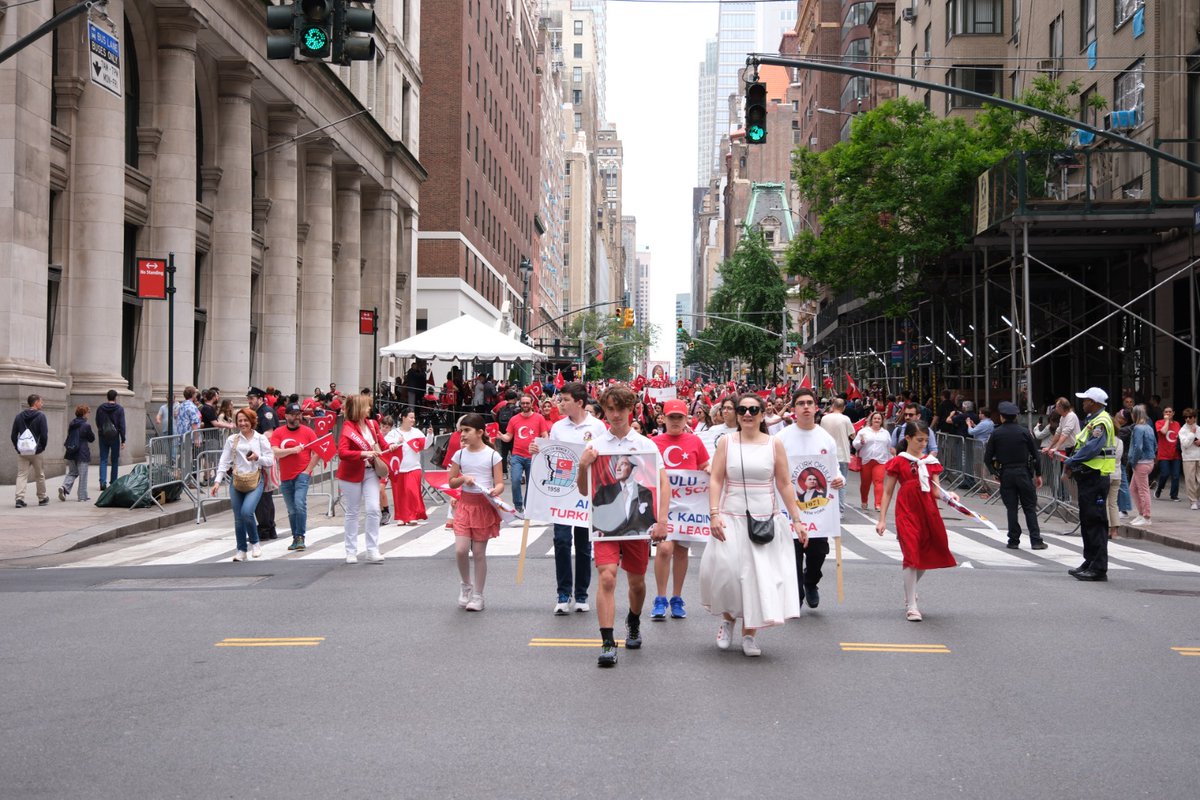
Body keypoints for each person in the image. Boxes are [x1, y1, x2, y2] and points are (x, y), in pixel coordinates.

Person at [699, 392, 807, 657]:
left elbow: (784, 483)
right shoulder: (726, 442)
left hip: (764, 521)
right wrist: (714, 513)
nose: (748, 414)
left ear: (762, 415)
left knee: (757, 578)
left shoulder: (774, 444)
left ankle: (750, 633)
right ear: (736, 414)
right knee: (728, 573)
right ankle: (727, 620)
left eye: (754, 410)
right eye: (743, 409)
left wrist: (797, 520)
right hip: (731, 518)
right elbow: (716, 479)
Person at [575, 385, 669, 668]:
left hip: (637, 526)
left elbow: (662, 484)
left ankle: (633, 620)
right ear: (604, 410)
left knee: (637, 583)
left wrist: (661, 520)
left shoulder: (646, 445)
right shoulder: (596, 446)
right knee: (607, 577)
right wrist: (582, 466)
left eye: (621, 409)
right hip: (606, 527)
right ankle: (606, 642)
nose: (615, 415)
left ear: (631, 410)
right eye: (610, 409)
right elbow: (584, 491)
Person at [531, 382, 607, 615]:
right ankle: (563, 593)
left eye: (564, 400)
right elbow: (551, 456)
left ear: (579, 402)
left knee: (584, 545)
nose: (560, 404)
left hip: (586, 493)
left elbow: (604, 458)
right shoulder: (557, 427)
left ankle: (582, 593)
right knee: (562, 541)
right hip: (563, 493)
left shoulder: (598, 427)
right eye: (560, 400)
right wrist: (538, 450)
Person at [876, 420, 958, 621]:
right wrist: (882, 519)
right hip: (906, 510)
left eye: (926, 440)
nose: (923, 444)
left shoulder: (931, 462)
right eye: (919, 440)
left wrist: (951, 496)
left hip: (928, 511)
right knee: (911, 553)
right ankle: (912, 604)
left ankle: (909, 590)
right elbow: (887, 492)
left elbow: (937, 490)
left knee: (926, 554)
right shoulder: (899, 461)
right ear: (908, 438)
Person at [777, 388, 846, 610]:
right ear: (794, 409)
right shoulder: (781, 438)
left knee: (817, 553)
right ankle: (795, 595)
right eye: (801, 403)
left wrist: (839, 480)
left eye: (809, 402)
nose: (806, 407)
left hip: (818, 512)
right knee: (793, 555)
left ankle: (811, 581)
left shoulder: (826, 439)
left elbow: (834, 471)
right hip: (790, 509)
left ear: (816, 407)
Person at [649, 399, 710, 620]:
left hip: (688, 506)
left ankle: (677, 597)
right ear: (663, 418)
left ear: (686, 420)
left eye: (679, 417)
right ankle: (660, 597)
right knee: (664, 549)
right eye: (671, 417)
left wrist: (711, 469)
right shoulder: (653, 442)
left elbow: (704, 465)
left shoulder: (695, 441)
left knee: (681, 551)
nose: (675, 421)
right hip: (664, 505)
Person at [447, 413, 505, 612]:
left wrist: (494, 491)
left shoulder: (492, 455)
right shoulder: (460, 454)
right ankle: (466, 584)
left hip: (483, 505)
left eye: (467, 430)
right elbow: (451, 481)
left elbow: (499, 483)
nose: (462, 434)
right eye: (461, 430)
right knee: (461, 549)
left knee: (479, 553)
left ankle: (478, 595)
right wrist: (463, 479)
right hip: (464, 504)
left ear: (480, 432)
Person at [1062, 387, 1118, 581]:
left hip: (1096, 476)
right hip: (1089, 477)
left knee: (1095, 522)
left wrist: (1071, 461)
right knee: (1088, 521)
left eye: (1085, 399)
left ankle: (1098, 567)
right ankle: (1090, 561)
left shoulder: (1101, 422)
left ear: (1094, 402)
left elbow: (1091, 449)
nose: (1083, 402)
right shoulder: (1093, 421)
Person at [210, 407, 275, 561]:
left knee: (247, 512)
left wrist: (257, 458)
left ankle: (255, 543)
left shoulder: (260, 439)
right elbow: (224, 461)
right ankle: (241, 550)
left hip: (255, 479)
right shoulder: (232, 439)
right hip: (237, 480)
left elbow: (270, 460)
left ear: (252, 421)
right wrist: (217, 481)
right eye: (240, 420)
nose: (243, 423)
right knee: (238, 517)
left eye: (246, 420)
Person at [983, 401, 1046, 550]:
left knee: (1011, 508)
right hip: (1023, 472)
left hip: (1006, 473)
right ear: (1016, 416)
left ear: (1002, 417)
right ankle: (1036, 540)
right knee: (1029, 507)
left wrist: (995, 472)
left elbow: (987, 458)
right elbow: (1035, 455)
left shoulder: (996, 433)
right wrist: (1038, 474)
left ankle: (1013, 540)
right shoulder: (1024, 432)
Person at [337, 394, 387, 564]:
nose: (369, 409)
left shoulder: (372, 425)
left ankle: (372, 550)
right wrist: (362, 453)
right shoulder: (348, 427)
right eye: (366, 406)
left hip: (371, 472)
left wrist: (393, 445)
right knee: (352, 512)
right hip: (351, 474)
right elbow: (342, 453)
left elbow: (383, 445)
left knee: (374, 509)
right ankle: (350, 551)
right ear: (359, 408)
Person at [270, 403, 319, 551]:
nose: (297, 417)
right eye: (293, 414)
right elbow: (275, 452)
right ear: (286, 416)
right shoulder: (278, 432)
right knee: (291, 510)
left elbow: (317, 452)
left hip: (302, 475)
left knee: (299, 504)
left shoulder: (308, 432)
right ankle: (295, 537)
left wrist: (307, 470)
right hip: (285, 476)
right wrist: (293, 450)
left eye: (299, 414)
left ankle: (300, 537)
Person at [498, 394, 549, 514]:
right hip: (517, 455)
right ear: (519, 404)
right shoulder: (514, 419)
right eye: (523, 403)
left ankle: (528, 505)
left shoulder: (539, 418)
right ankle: (518, 504)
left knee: (531, 484)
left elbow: (545, 434)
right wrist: (501, 436)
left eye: (527, 403)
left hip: (533, 456)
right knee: (515, 480)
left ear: (532, 404)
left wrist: (543, 445)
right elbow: (508, 437)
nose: (525, 405)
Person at [590, 455, 658, 538]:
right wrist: (596, 531)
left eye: (623, 464)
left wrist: (654, 528)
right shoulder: (604, 491)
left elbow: (648, 521)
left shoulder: (644, 492)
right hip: (608, 538)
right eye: (617, 464)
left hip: (635, 540)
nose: (618, 468)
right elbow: (594, 517)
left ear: (634, 470)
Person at [246, 388, 280, 540]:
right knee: (264, 497)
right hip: (259, 458)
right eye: (249, 398)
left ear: (260, 398)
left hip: (264, 459)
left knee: (263, 497)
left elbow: (269, 433)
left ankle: (265, 529)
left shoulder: (266, 412)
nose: (249, 401)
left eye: (252, 398)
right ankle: (269, 528)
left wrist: (252, 443)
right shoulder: (257, 412)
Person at [390, 409, 427, 525]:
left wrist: (430, 435)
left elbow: (425, 445)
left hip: (414, 466)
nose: (413, 420)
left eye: (414, 418)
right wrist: (397, 442)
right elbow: (387, 445)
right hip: (398, 468)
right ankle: (401, 516)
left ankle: (412, 515)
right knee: (399, 493)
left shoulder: (417, 432)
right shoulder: (394, 433)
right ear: (403, 418)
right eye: (411, 417)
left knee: (411, 491)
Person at [11, 394, 49, 508]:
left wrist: (18, 448)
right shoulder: (41, 416)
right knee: (40, 475)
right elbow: (44, 435)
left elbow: (13, 435)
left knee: (21, 475)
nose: (42, 404)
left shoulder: (19, 416)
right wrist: (41, 448)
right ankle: (42, 498)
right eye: (41, 402)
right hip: (36, 451)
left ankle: (19, 499)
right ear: (36, 402)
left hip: (22, 452)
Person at [853, 411, 891, 511]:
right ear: (871, 420)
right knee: (865, 483)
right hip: (866, 460)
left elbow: (889, 447)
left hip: (881, 461)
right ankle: (864, 501)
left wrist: (890, 460)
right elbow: (855, 444)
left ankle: (878, 504)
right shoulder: (864, 431)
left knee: (879, 482)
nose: (877, 420)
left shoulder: (886, 433)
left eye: (879, 419)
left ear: (882, 421)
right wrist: (860, 443)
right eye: (875, 418)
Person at [1126, 404, 1156, 527]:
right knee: (1133, 489)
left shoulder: (1138, 428)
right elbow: (1155, 444)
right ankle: (1141, 513)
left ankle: (1146, 516)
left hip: (1141, 462)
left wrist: (1133, 461)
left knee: (1143, 490)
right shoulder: (1148, 427)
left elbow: (1138, 447)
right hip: (1149, 461)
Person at [59, 404, 95, 503]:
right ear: (84, 413)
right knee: (83, 475)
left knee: (73, 472)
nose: (89, 415)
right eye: (88, 412)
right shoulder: (86, 425)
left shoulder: (72, 423)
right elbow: (91, 438)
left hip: (71, 451)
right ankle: (82, 496)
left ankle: (64, 487)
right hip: (82, 453)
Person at [94, 389, 126, 491]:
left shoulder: (100, 408)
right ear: (115, 397)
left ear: (107, 397)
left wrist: (101, 430)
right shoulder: (119, 409)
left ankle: (102, 482)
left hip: (103, 436)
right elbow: (122, 425)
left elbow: (97, 422)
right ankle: (113, 482)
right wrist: (123, 439)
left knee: (103, 459)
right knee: (115, 460)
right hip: (114, 436)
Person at [819, 397, 856, 477]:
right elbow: (853, 436)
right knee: (842, 483)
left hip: (828, 454)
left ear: (833, 406)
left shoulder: (824, 418)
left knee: (829, 481)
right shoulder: (846, 419)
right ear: (844, 407)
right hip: (842, 454)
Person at [1154, 407, 1182, 501]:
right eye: (1166, 412)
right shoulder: (1159, 422)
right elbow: (1164, 431)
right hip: (1164, 453)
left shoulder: (1177, 424)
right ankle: (1159, 488)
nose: (1168, 413)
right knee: (1165, 474)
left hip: (1175, 453)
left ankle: (1174, 495)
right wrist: (1166, 421)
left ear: (1173, 413)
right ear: (1163, 413)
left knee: (1176, 475)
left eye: (1170, 412)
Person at [1179, 409, 1200, 510]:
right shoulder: (1182, 430)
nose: (1188, 419)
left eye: (1190, 417)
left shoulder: (1199, 428)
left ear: (1194, 418)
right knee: (1190, 480)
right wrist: (1192, 434)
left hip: (1199, 456)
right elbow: (1185, 444)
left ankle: (1197, 498)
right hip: (1188, 458)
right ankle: (1193, 501)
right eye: (1186, 417)